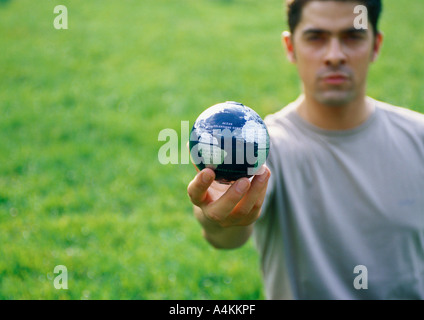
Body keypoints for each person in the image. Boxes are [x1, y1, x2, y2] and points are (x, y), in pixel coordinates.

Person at [187, 0, 424, 299]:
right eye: (316, 37)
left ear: (375, 44)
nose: (335, 56)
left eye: (353, 36)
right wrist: (218, 216)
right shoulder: (266, 149)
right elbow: (226, 234)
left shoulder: (419, 138)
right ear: (290, 47)